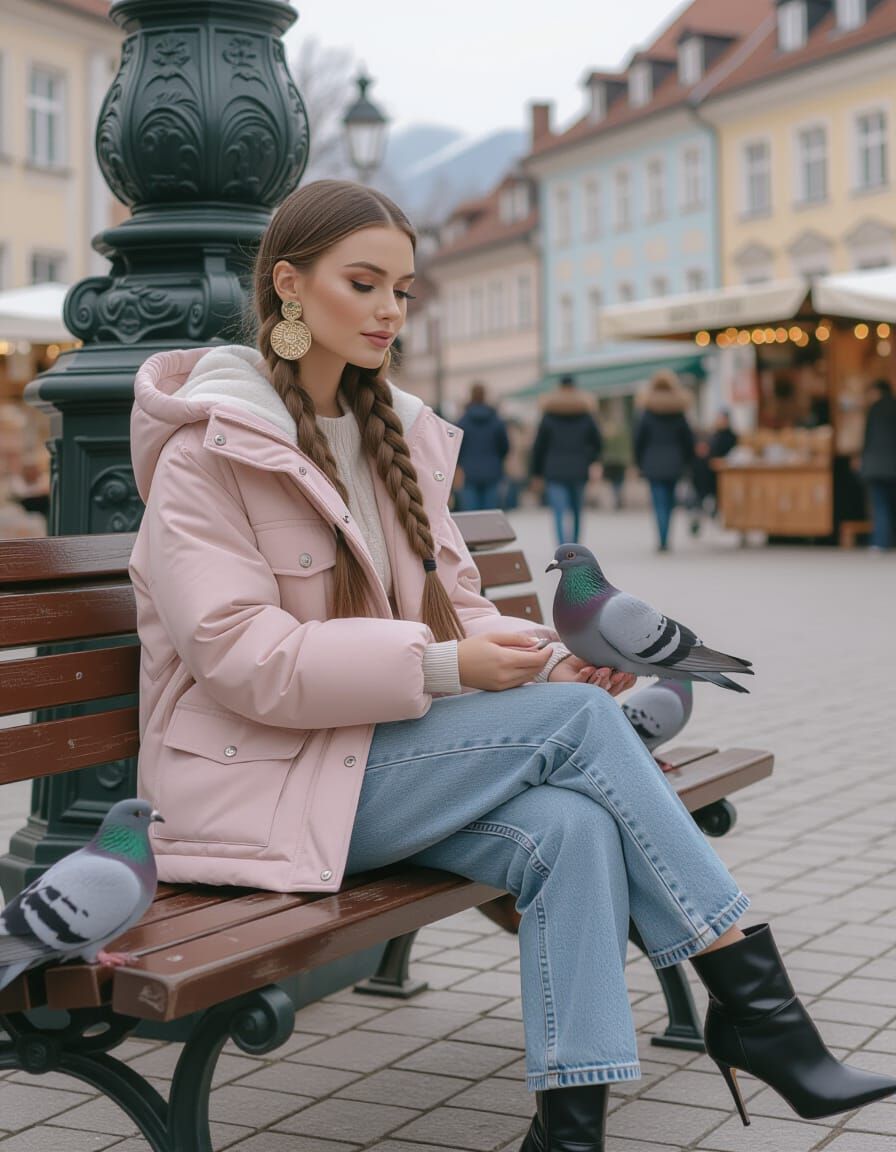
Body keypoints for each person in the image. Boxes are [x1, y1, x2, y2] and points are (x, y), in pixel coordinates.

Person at [128, 180, 896, 1151]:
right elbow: (245, 658)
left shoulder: (390, 436)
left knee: (569, 827)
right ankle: (756, 1012)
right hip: (256, 782)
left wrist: (536, 665)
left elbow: (458, 607)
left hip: (374, 759)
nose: (387, 312)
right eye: (362, 283)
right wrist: (450, 667)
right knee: (578, 735)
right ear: (286, 284)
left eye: (402, 291)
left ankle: (568, 1134)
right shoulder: (208, 456)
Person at [531, 375, 602, 544]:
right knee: (577, 511)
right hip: (579, 467)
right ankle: (575, 546)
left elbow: (539, 446)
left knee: (558, 512)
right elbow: (597, 442)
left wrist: (536, 472)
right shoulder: (585, 414)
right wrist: (590, 458)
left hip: (554, 469)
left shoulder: (549, 415)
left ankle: (562, 547)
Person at [634, 370, 695, 552]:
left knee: (658, 502)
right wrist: (687, 460)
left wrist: (639, 462)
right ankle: (667, 536)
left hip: (652, 462)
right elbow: (688, 439)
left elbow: (638, 440)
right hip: (674, 462)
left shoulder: (647, 411)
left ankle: (661, 539)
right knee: (670, 502)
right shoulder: (678, 412)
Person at [456, 381, 509, 511]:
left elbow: (456, 447)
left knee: (472, 515)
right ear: (485, 396)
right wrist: (497, 459)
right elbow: (505, 446)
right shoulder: (496, 420)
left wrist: (462, 462)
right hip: (492, 471)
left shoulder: (463, 421)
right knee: (489, 514)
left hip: (470, 472)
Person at [860, 378, 896, 551]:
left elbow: (867, 437)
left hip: (875, 466)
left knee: (880, 505)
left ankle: (880, 542)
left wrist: (862, 459)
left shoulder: (874, 409)